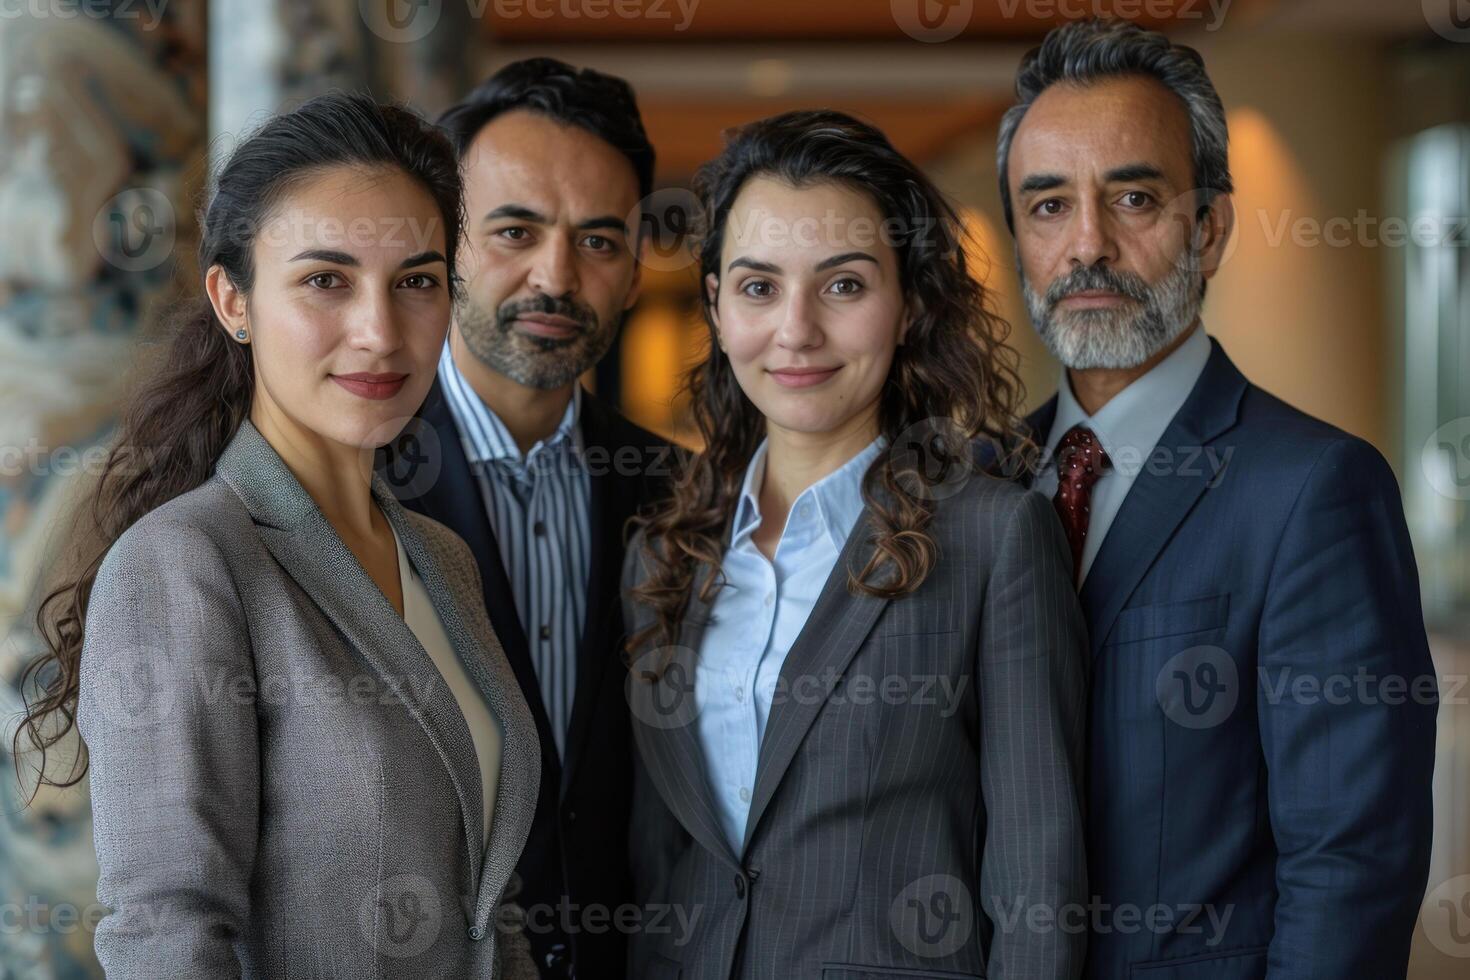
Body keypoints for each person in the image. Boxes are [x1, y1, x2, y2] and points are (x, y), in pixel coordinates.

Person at [15, 91, 540, 979]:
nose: (379, 332)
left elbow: (491, 903)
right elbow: (166, 936)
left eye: (416, 281)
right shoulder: (185, 563)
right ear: (233, 300)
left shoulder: (441, 560)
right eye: (325, 280)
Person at [997, 18, 1438, 979]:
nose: (1087, 246)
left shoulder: (1314, 489)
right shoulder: (980, 482)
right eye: (1047, 207)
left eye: (1135, 198)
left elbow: (1353, 869)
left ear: (1211, 227)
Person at [621, 109, 1089, 979]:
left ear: (907, 305)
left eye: (843, 286)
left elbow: (1038, 882)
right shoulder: (664, 556)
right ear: (717, 306)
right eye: (759, 287)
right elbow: (662, 867)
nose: (795, 330)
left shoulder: (994, 538)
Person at [381, 58, 670, 978]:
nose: (556, 275)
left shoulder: (690, 497)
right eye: (515, 230)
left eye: (599, 240)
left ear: (632, 266)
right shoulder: (354, 483)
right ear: (442, 245)